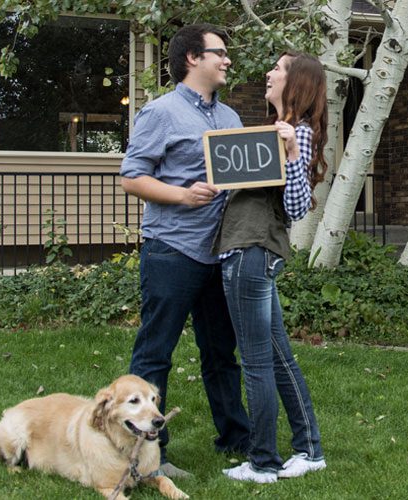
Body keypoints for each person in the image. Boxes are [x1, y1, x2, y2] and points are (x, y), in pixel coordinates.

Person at [120, 24, 251, 477]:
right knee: (155, 354)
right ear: (193, 58)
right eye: (220, 53)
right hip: (173, 251)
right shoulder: (161, 112)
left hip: (221, 254)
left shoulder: (231, 119)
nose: (227, 60)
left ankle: (236, 439)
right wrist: (182, 195)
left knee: (221, 354)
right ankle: (149, 456)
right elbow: (132, 177)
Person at [213, 51, 328, 483]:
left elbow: (296, 207)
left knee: (257, 361)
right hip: (246, 250)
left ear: (296, 81)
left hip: (252, 252)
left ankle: (262, 462)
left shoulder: (294, 133)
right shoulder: (269, 133)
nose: (268, 72)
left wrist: (295, 152)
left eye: (277, 68)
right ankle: (310, 449)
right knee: (279, 357)